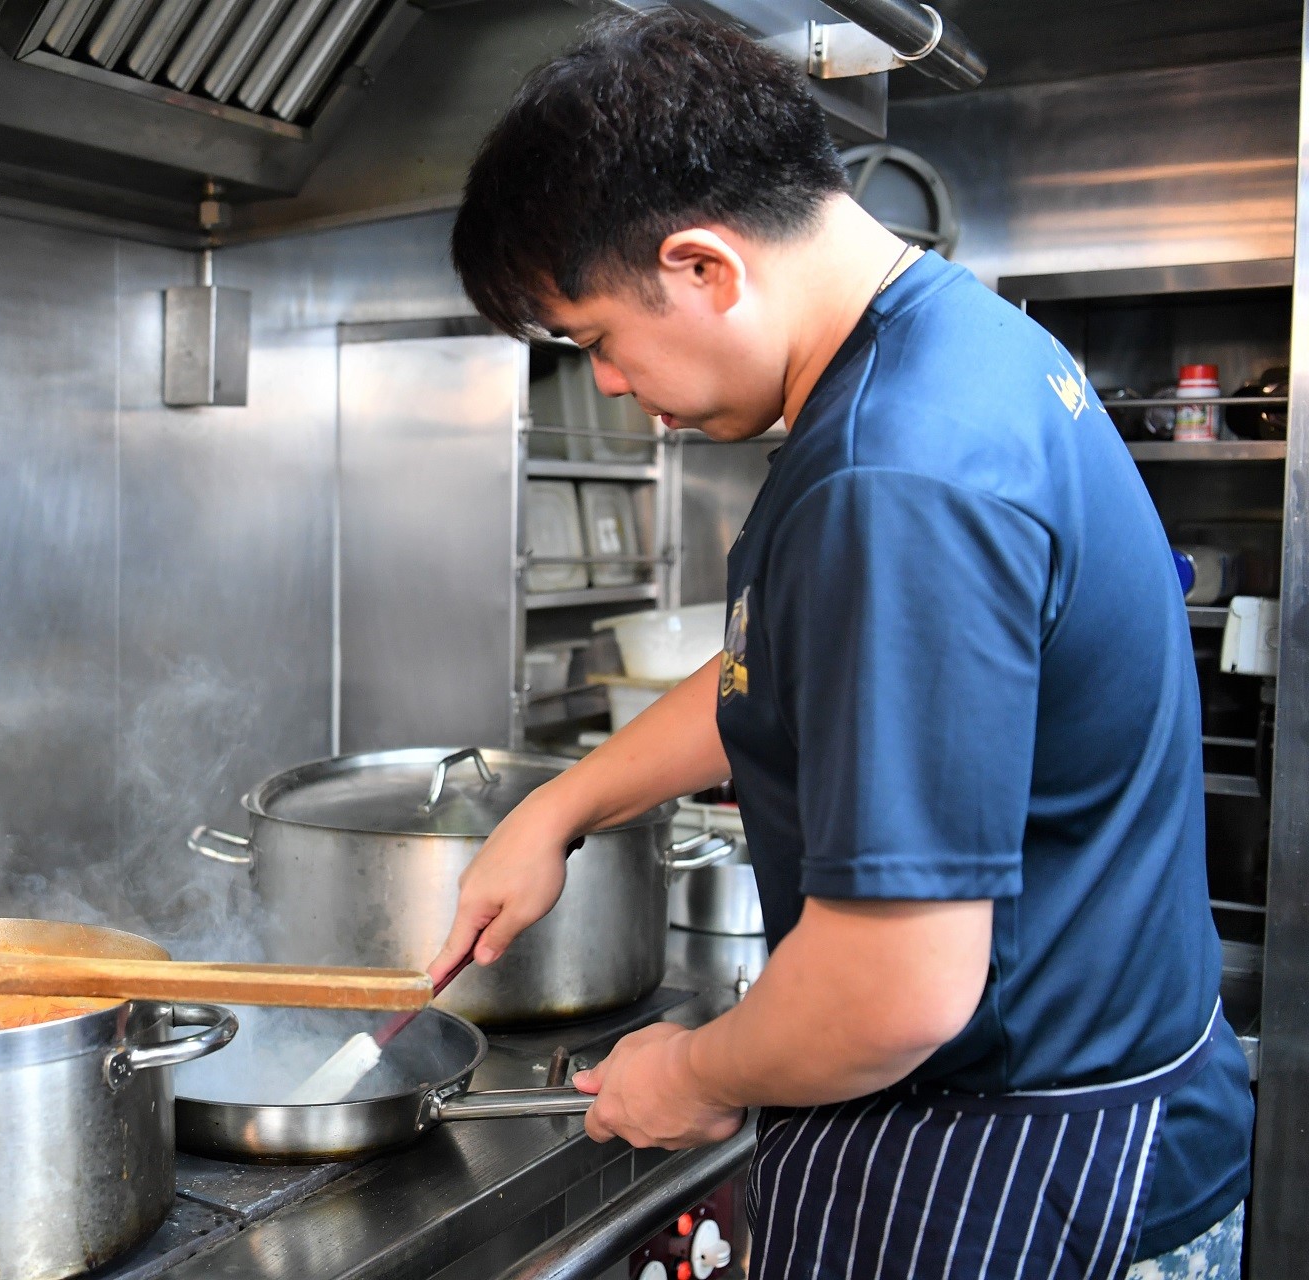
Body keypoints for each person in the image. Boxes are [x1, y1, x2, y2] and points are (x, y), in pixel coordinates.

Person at [434, 12, 1253, 1278]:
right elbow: (786, 657)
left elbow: (894, 987)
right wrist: (562, 804)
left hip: (1011, 1178)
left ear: (703, 266)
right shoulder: (959, 344)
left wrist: (692, 1071)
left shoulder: (892, 473)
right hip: (1092, 1121)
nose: (607, 383)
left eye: (595, 338)